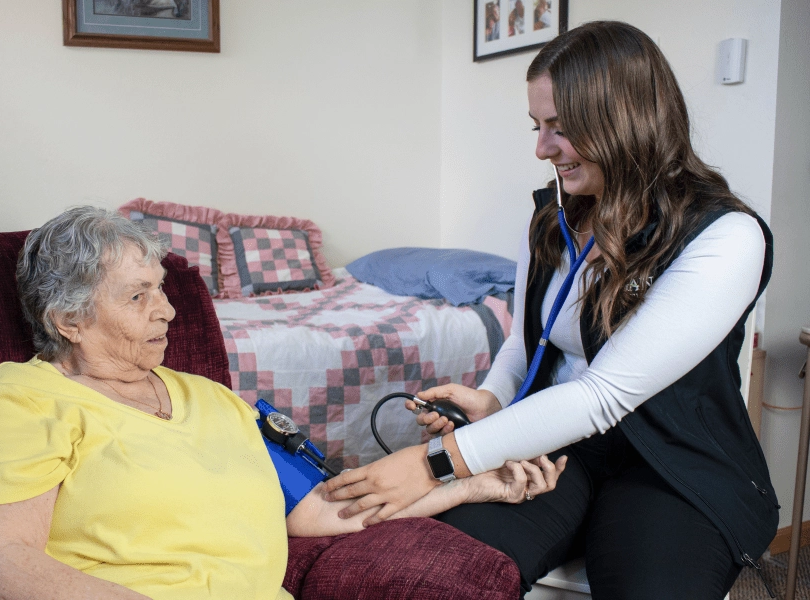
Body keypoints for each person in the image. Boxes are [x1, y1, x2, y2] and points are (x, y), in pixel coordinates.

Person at [323, 21, 778, 598]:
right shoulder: (551, 219)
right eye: (538, 127)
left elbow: (604, 394)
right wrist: (492, 398)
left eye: (560, 129)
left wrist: (435, 463)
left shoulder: (723, 236)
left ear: (625, 120)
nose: (541, 148)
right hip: (558, 448)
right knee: (428, 571)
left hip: (669, 464)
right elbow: (525, 340)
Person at [0, 206, 566, 600]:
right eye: (138, 297)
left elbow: (317, 509)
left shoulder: (214, 399)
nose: (168, 309)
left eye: (161, 288)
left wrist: (473, 485)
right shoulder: (20, 397)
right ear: (68, 320)